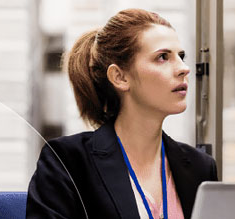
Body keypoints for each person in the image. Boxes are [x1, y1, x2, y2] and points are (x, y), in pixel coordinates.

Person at [26, 8, 218, 219]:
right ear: (119, 77)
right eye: (163, 57)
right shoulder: (67, 161)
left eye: (181, 56)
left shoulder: (200, 166)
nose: (184, 68)